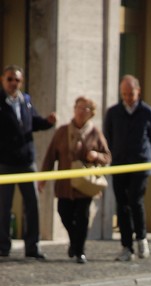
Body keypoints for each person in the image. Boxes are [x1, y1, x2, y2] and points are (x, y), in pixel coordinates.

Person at [39, 96, 111, 264]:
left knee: (82, 218)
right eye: (78, 107)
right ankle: (74, 242)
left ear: (91, 113)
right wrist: (43, 178)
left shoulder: (95, 133)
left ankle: (80, 251)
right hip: (64, 184)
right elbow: (51, 156)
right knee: (64, 213)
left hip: (84, 185)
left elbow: (107, 157)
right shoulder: (62, 131)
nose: (80, 111)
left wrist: (96, 155)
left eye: (85, 108)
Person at [0, 64, 56, 259]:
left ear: (21, 82)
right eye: (9, 79)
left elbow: (34, 123)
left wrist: (48, 122)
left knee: (32, 205)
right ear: (3, 80)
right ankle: (3, 247)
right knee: (3, 207)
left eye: (16, 80)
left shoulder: (27, 101)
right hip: (5, 164)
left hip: (26, 162)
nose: (13, 83)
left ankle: (33, 247)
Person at [104, 75, 151, 261]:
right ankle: (126, 246)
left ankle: (141, 238)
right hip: (119, 164)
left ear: (138, 91)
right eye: (124, 94)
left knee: (136, 201)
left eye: (131, 94)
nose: (128, 97)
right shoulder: (113, 112)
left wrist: (145, 157)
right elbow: (107, 136)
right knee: (122, 205)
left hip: (141, 163)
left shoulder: (148, 112)